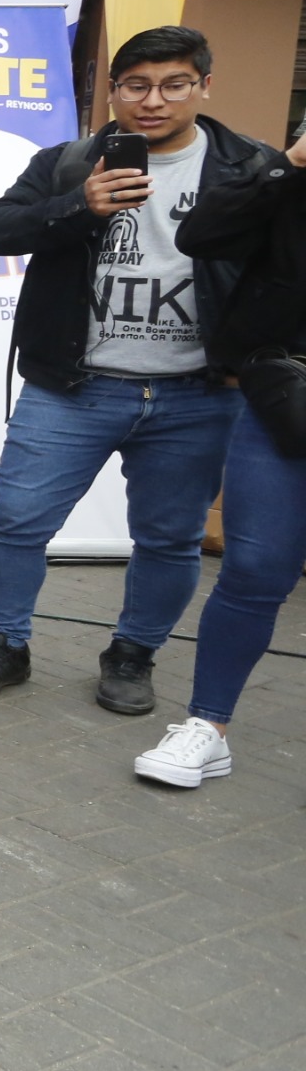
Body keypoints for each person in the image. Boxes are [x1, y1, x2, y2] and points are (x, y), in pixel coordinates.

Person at [0, 26, 271, 711]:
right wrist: (78, 205)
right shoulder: (68, 162)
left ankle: (133, 654)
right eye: (136, 86)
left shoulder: (249, 167)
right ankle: (4, 644)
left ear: (203, 87)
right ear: (115, 92)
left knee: (170, 538)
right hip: (74, 386)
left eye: (174, 84)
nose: (153, 101)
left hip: (198, 393)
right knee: (17, 522)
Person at [131, 117, 306, 785]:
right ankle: (209, 726)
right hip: (286, 402)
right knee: (256, 569)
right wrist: (288, 163)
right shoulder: (283, 185)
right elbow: (201, 235)